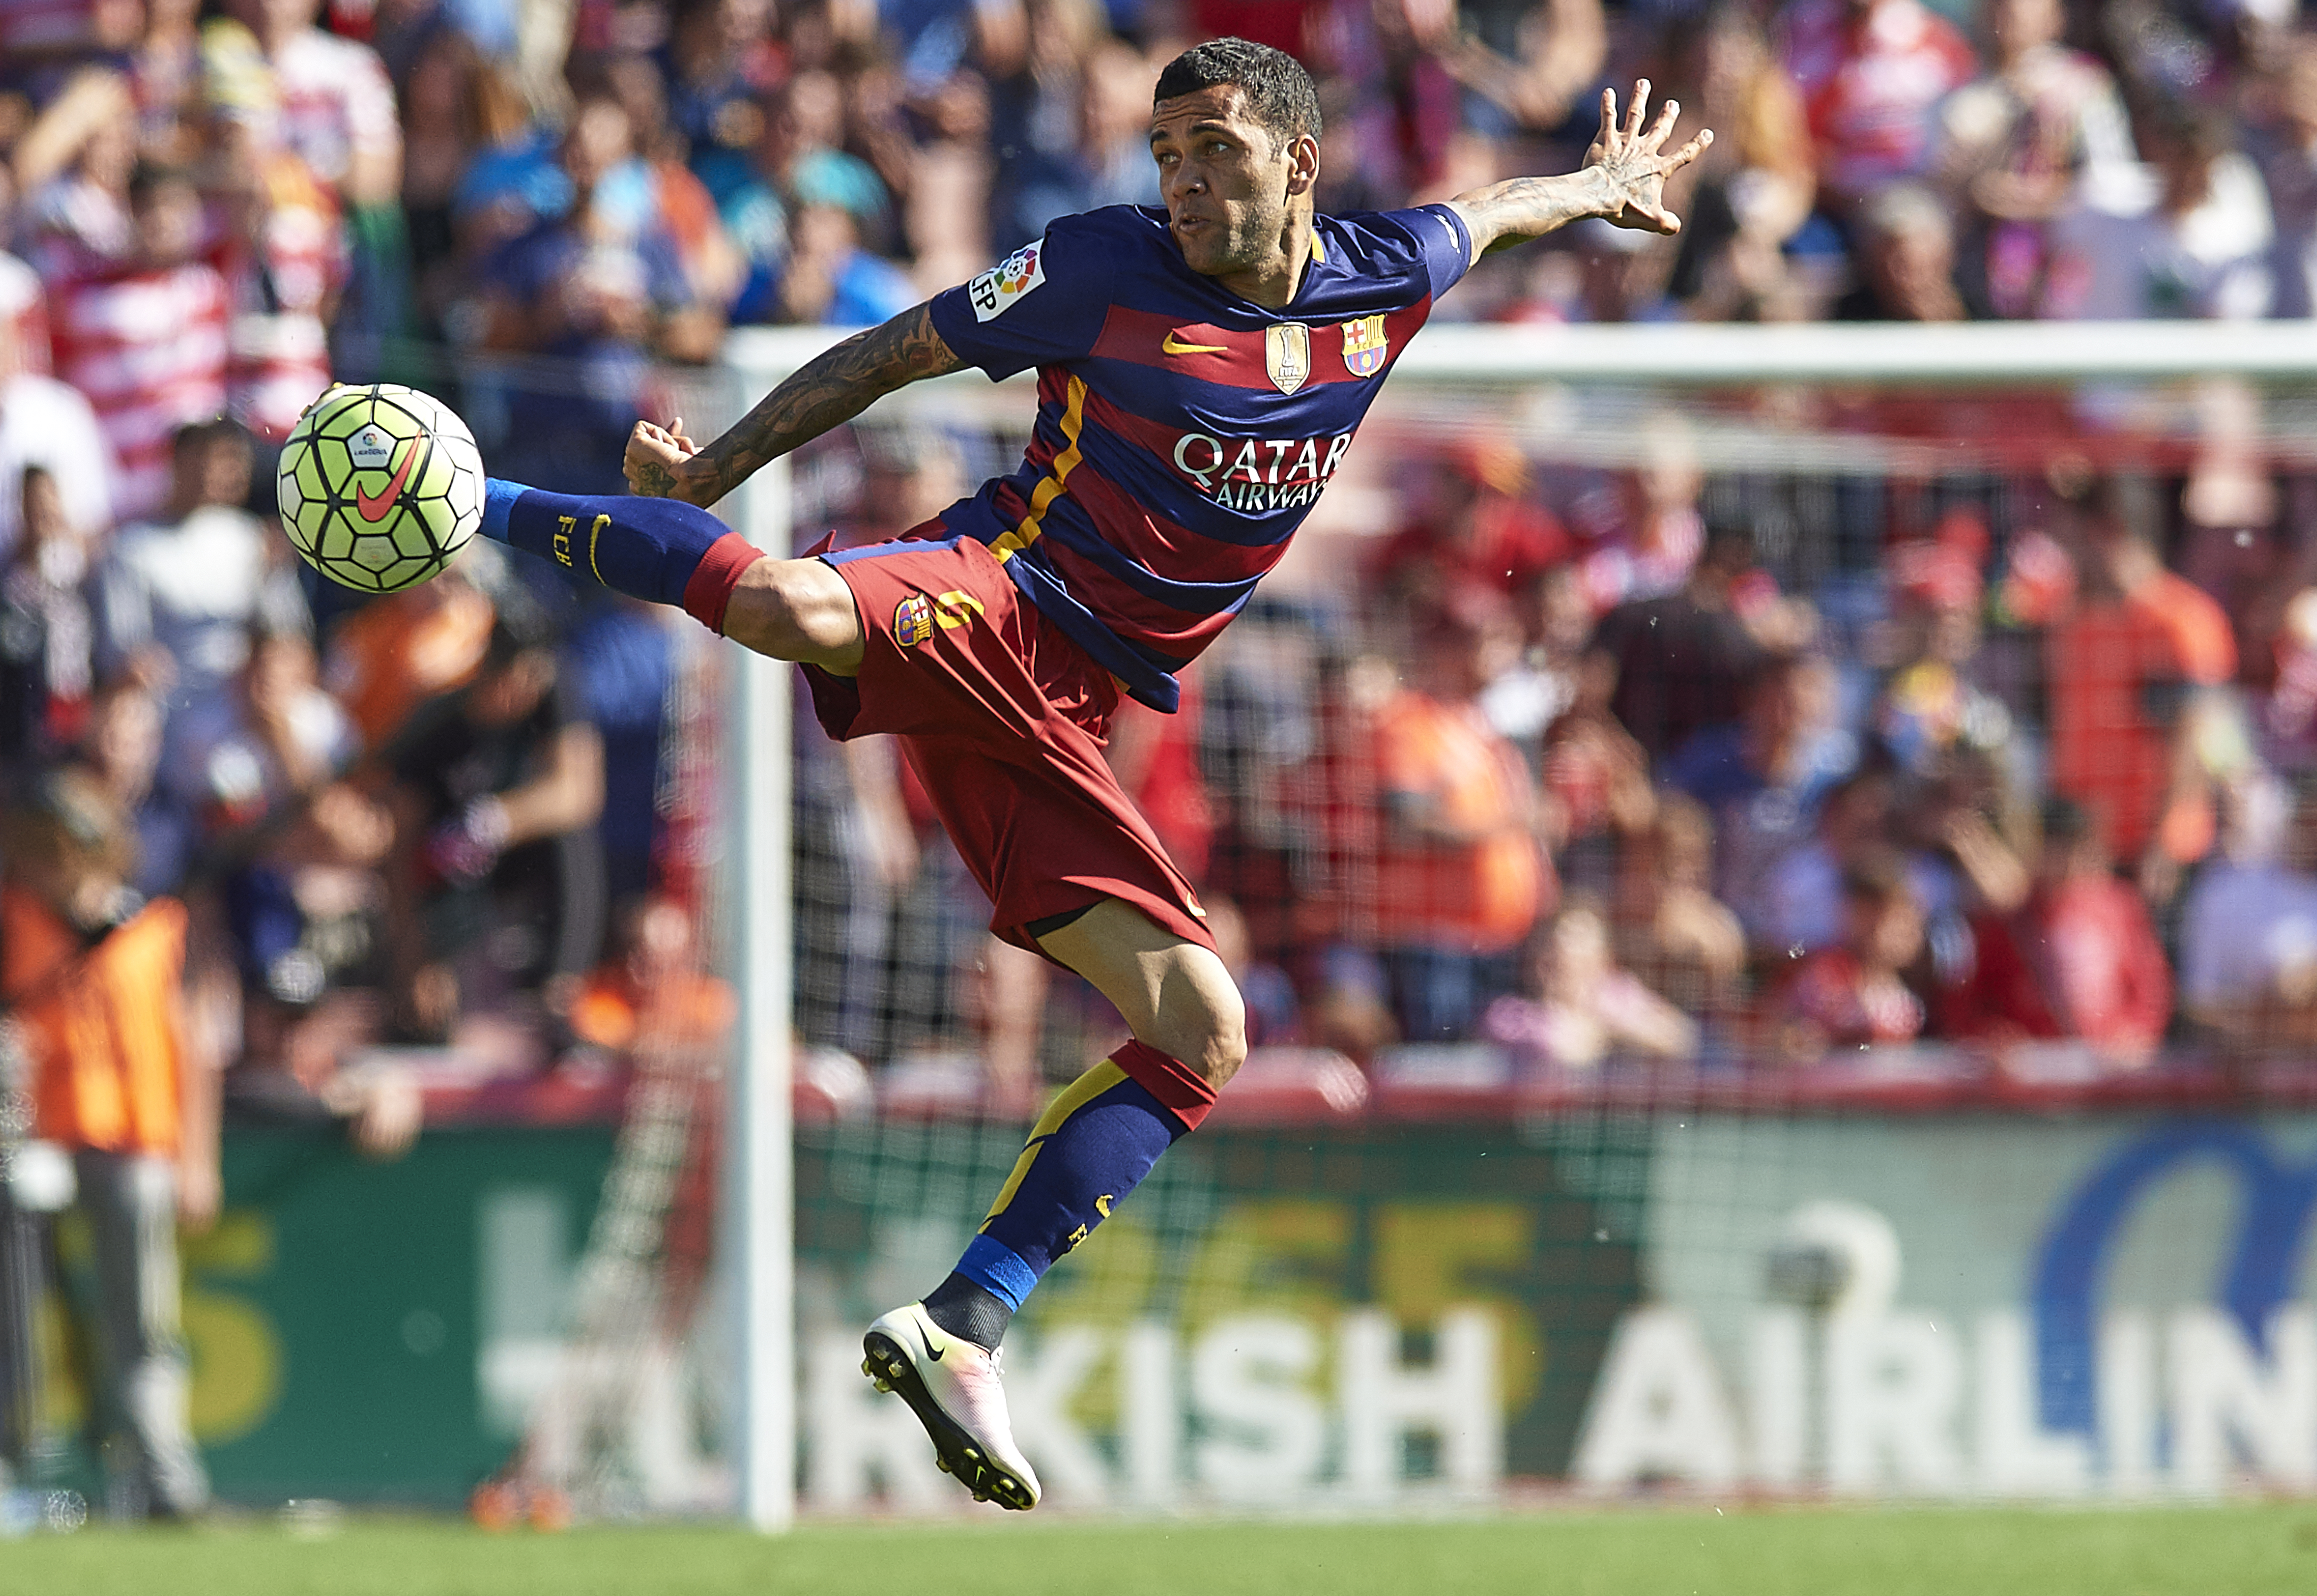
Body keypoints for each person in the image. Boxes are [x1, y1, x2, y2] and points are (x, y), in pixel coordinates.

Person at [473, 40, 1709, 1510]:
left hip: (1069, 714)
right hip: (997, 589)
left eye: (1217, 152)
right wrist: (718, 469)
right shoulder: (1102, 266)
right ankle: (472, 500)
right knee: (792, 605)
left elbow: (1490, 211)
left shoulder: (1386, 276)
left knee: (1203, 1025)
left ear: (1298, 165)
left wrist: (1598, 185)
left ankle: (961, 1324)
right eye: (1166, 154)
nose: (1183, 181)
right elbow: (893, 352)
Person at [0, 769, 214, 1519]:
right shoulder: (14, 919)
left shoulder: (153, 926)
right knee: (18, 1316)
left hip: (133, 1142)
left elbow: (188, 1044)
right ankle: (15, 1469)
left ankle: (162, 1478)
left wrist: (196, 1159)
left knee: (144, 1321)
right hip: (39, 1145)